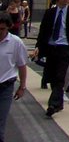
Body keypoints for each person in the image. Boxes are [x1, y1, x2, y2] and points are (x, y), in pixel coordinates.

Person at [31, 0, 69, 117]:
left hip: (64, 48)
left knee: (60, 76)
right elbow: (43, 31)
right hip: (51, 48)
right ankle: (58, 104)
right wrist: (38, 47)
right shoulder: (50, 13)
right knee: (53, 77)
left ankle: (53, 105)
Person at [0, 12, 29, 142]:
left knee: (0, 122)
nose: (0, 32)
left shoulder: (16, 42)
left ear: (9, 27)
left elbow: (22, 66)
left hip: (5, 87)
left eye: (2, 29)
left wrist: (22, 87)